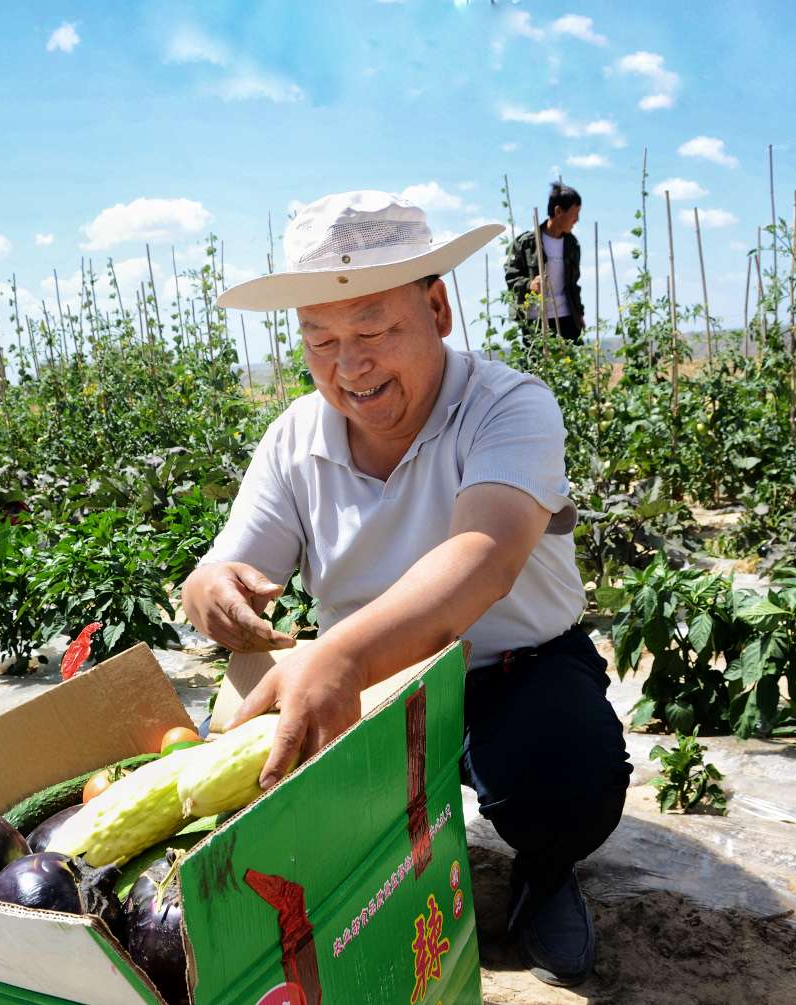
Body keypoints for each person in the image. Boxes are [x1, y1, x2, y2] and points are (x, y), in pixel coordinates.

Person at [182, 190, 631, 988]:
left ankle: (545, 869)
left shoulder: (508, 405)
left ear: (438, 308)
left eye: (375, 331)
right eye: (320, 339)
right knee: (261, 750)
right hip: (369, 688)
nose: (348, 365)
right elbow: (227, 571)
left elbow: (481, 559)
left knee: (569, 773)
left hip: (512, 672)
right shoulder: (294, 438)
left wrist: (343, 655)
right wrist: (212, 589)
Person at [504, 182, 585, 343]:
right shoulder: (526, 243)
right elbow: (511, 278)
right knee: (535, 367)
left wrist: (579, 314)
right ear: (558, 211)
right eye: (574, 214)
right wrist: (529, 285)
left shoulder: (572, 244)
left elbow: (574, 285)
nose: (577, 220)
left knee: (572, 367)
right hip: (536, 321)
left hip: (567, 318)